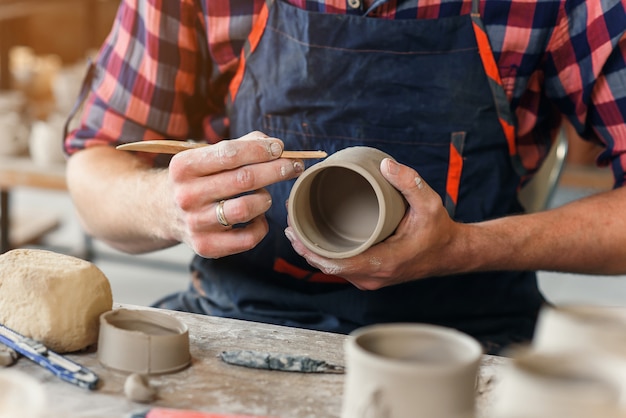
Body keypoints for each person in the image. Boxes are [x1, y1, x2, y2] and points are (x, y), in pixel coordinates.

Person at [64, 0, 626, 354]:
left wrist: (465, 246)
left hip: (467, 335)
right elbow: (93, 168)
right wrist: (166, 204)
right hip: (242, 321)